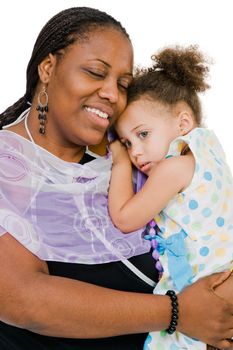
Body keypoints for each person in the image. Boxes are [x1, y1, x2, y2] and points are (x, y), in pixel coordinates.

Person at [0, 8, 232, 350]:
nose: (112, 94)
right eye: (96, 72)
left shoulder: (131, 157)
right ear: (48, 69)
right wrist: (176, 312)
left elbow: (210, 231)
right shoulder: (10, 168)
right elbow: (23, 299)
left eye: (123, 85)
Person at [108, 45, 233, 349]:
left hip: (207, 291)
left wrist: (120, 163)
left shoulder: (174, 168)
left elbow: (125, 218)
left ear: (183, 124)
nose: (135, 151)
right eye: (126, 142)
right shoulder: (209, 154)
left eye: (143, 134)